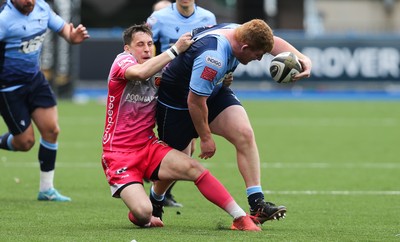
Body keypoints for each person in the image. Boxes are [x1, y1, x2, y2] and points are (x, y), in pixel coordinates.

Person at [100, 24, 260, 231]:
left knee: (194, 168)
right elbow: (140, 73)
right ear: (127, 49)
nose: (147, 49)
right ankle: (142, 211)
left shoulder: (163, 68)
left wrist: (221, 79)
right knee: (143, 213)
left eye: (150, 44)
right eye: (140, 45)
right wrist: (175, 49)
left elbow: (194, 85)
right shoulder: (123, 62)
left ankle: (240, 218)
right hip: (119, 154)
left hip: (148, 147)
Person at [153, 19, 312, 224]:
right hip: (177, 105)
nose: (259, 58)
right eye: (258, 54)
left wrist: (302, 58)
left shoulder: (239, 31)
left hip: (210, 92)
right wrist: (205, 137)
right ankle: (155, 199)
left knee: (244, 134)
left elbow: (274, 42)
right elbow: (194, 101)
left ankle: (257, 204)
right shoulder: (213, 57)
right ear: (245, 47)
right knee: (178, 166)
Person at [0, 0, 89, 201]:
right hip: (9, 88)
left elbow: (65, 30)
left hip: (35, 81)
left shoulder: (42, 7)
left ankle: (46, 190)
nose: (29, 1)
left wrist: (72, 37)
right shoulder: (4, 20)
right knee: (25, 142)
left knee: (51, 130)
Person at [147, 0, 217, 207]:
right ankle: (153, 182)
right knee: (173, 145)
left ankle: (161, 191)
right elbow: (144, 46)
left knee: (189, 146)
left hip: (195, 87)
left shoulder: (208, 18)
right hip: (167, 88)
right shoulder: (158, 19)